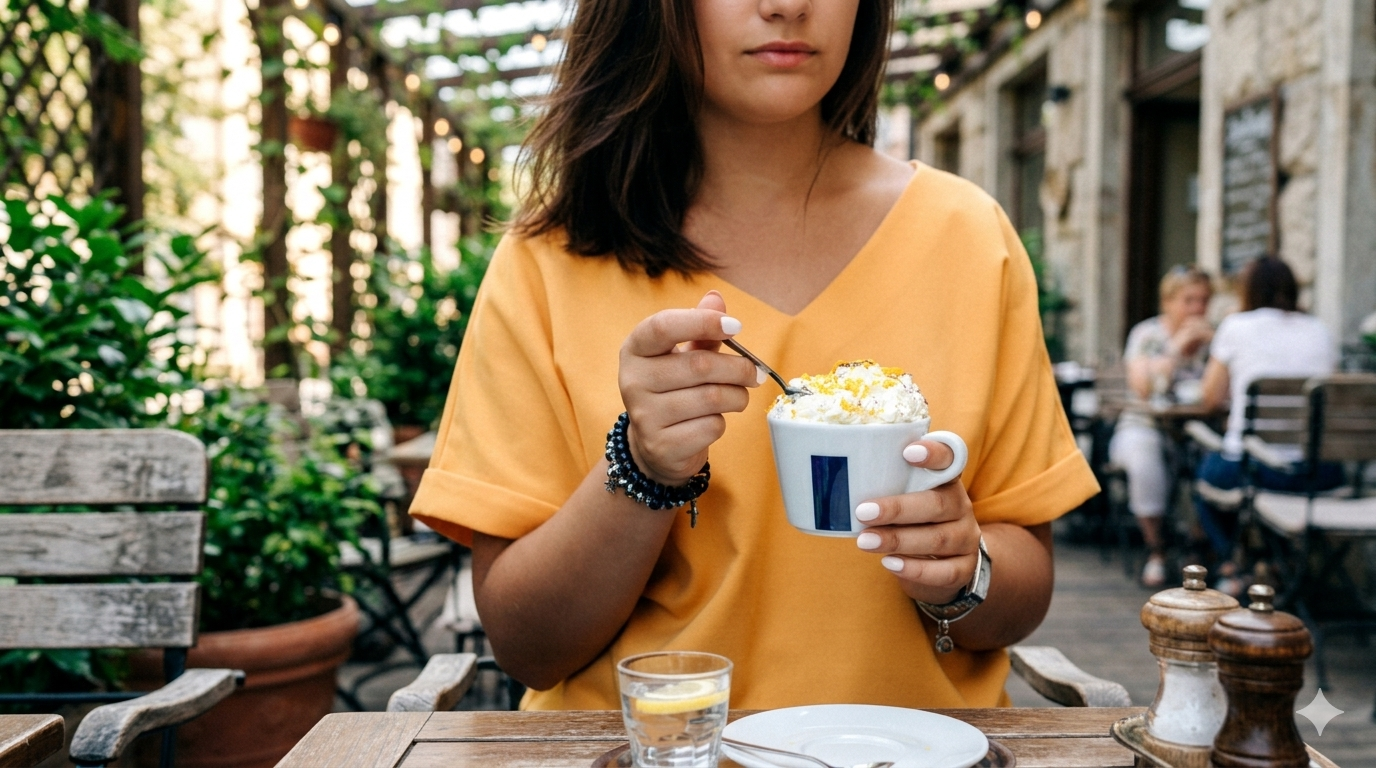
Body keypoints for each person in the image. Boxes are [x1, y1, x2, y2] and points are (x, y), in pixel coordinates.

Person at [409, 0, 1099, 710]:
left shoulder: (967, 237)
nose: (789, 6)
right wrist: (642, 467)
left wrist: (962, 573)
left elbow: (1020, 593)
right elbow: (529, 649)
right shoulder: (548, 260)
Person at [1194, 256, 1340, 594]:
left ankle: (1233, 564)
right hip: (1321, 474)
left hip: (1258, 471)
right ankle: (1277, 564)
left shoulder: (1236, 326)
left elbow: (1210, 398)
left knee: (1203, 476)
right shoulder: (1319, 330)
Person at [1109, 266, 1213, 587]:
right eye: (1189, 300)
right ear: (1167, 302)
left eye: (1204, 300)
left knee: (1215, 458)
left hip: (1198, 425)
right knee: (1144, 458)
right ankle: (1157, 550)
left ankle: (1197, 549)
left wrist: (1216, 346)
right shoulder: (1147, 335)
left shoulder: (1216, 338)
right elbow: (1142, 388)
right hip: (1144, 424)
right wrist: (1176, 350)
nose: (1197, 309)